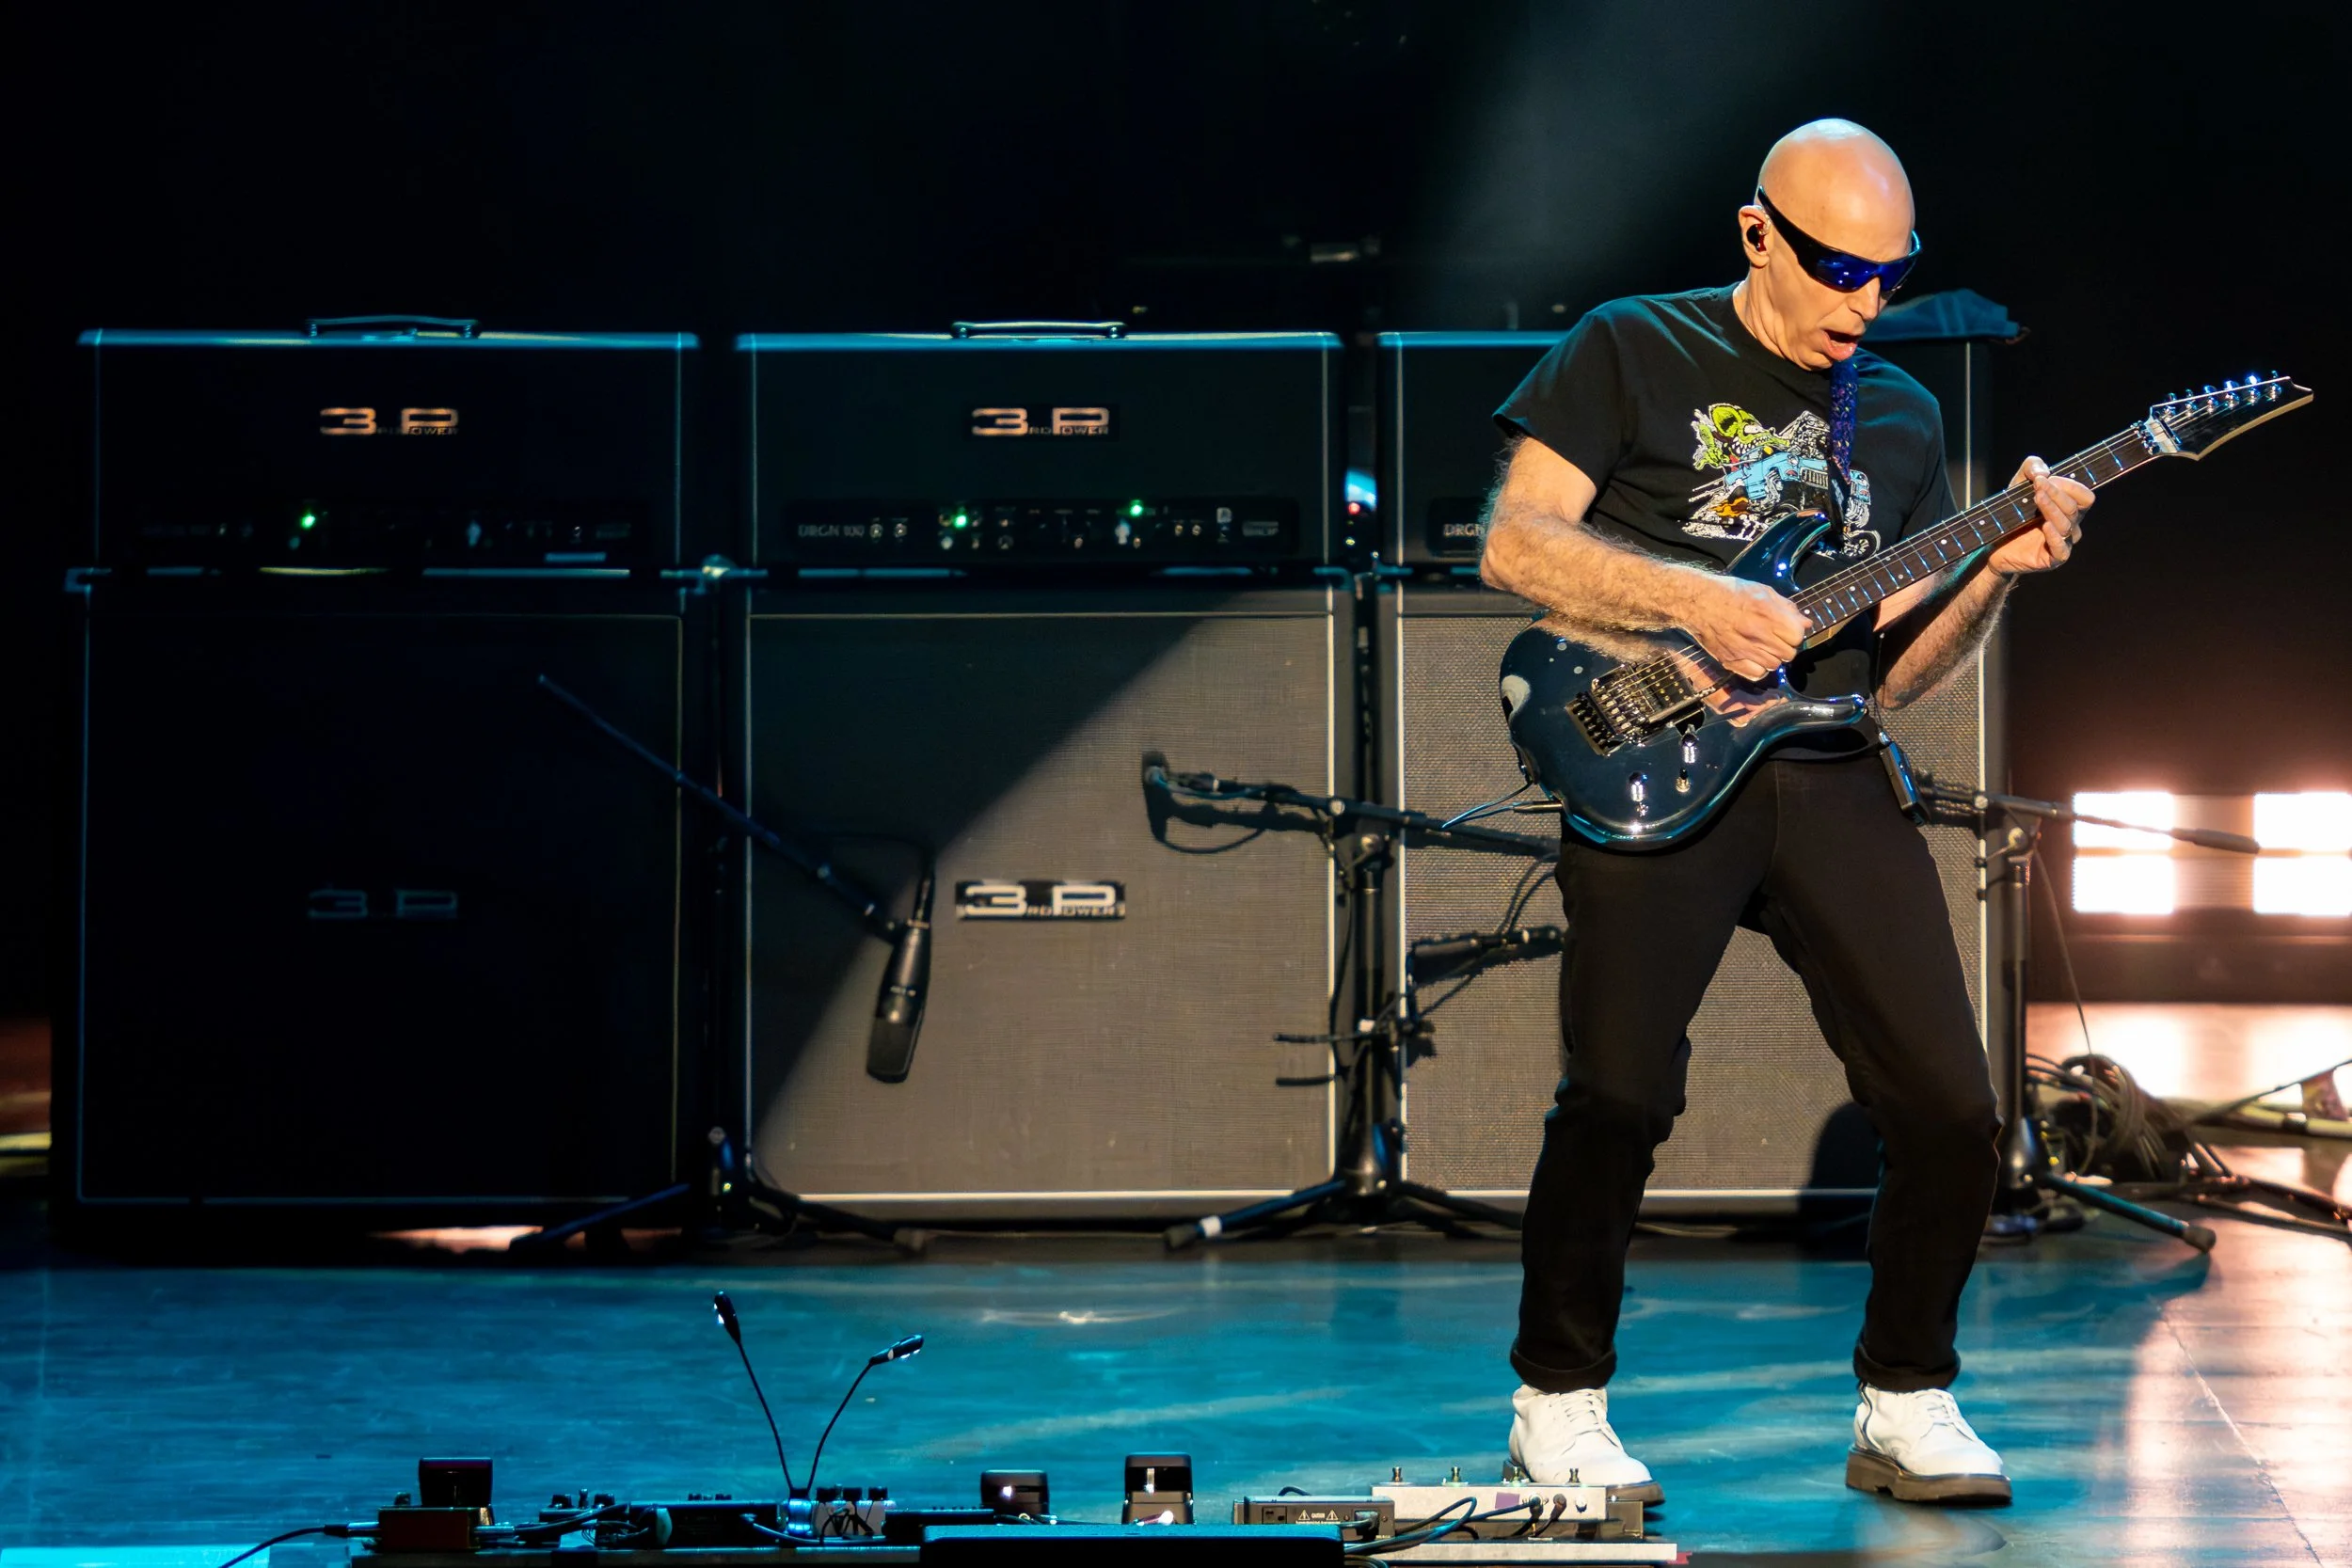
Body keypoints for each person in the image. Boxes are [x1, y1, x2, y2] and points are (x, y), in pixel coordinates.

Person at [1476, 119, 2093, 1508]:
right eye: (1835, 269)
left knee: (1952, 1106)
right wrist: (1698, 600)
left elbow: (1903, 669)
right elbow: (1516, 542)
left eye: (1890, 273)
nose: (1863, 302)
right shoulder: (1631, 345)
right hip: (1652, 752)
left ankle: (1906, 1396)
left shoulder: (1903, 415)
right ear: (1757, 233)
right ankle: (1555, 1401)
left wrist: (1996, 568)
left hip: (1825, 762)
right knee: (1619, 1093)